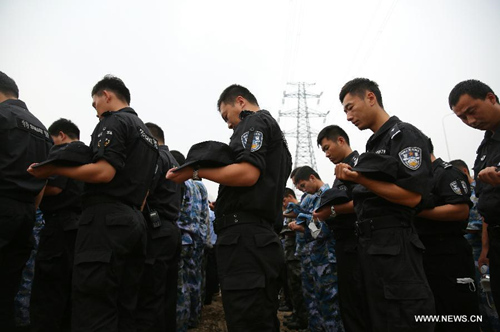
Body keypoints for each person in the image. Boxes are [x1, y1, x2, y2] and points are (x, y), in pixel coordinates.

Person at [28, 75, 159, 332]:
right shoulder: (149, 137)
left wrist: (56, 168)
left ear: (106, 96)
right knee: (124, 306)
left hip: (105, 221)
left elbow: (104, 172)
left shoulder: (113, 121)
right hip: (134, 221)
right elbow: (144, 194)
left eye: (95, 103)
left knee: (94, 305)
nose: (96, 110)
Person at [167, 84, 292, 331]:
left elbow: (247, 173)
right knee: (259, 318)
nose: (229, 125)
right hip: (259, 238)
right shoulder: (277, 138)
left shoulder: (254, 122)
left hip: (246, 241)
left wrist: (194, 171)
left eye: (227, 116)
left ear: (240, 102)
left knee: (246, 319)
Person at [335, 78, 435, 330]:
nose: (348, 117)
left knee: (404, 317)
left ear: (370, 98)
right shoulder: (375, 143)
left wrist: (361, 179)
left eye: (350, 107)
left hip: (395, 243)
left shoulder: (403, 135)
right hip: (372, 245)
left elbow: (413, 196)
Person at [0, 71, 52, 331]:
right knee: (7, 292)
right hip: (25, 213)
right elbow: (42, 180)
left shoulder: (3, 116)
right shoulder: (42, 129)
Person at [415, 140, 479, 331]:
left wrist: (416, 212)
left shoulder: (446, 172)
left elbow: (460, 210)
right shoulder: (421, 179)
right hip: (429, 256)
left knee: (460, 315)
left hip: (451, 255)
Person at [449, 79, 500, 317]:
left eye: (471, 112)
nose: (470, 122)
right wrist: (486, 248)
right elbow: (488, 204)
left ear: (491, 98)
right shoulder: (485, 147)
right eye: (461, 118)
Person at [30, 118, 84, 332]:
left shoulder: (62, 153)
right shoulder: (86, 155)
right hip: (79, 228)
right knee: (70, 291)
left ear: (61, 135)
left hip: (58, 228)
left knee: (48, 292)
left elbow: (54, 188)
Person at [313, 125, 367, 331]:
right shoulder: (340, 172)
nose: (327, 154)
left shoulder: (360, 165)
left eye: (328, 148)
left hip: (358, 244)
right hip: (345, 246)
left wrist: (332, 211)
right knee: (349, 305)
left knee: (359, 305)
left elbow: (365, 201)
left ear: (341, 141)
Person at [135, 122, 182, 332]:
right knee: (166, 295)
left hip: (157, 231)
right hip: (170, 230)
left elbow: (143, 194)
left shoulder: (156, 157)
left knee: (149, 295)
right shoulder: (173, 160)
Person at [451, 158, 500, 331]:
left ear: (464, 172)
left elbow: (483, 221)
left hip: (482, 252)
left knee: (489, 299)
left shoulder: (475, 193)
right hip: (467, 253)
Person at [293, 166, 344, 331]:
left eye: (302, 185)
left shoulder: (327, 196)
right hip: (315, 257)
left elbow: (323, 230)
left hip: (326, 258)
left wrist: (304, 225)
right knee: (317, 302)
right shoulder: (312, 198)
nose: (302, 190)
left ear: (312, 178)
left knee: (330, 306)